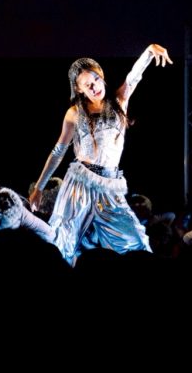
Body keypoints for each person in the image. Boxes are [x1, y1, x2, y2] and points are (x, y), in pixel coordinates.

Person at [28, 44, 172, 264]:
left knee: (135, 242)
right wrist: (39, 187)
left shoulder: (119, 101)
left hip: (109, 186)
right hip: (79, 184)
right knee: (62, 243)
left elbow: (133, 77)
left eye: (95, 79)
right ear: (79, 90)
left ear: (101, 76)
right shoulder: (74, 113)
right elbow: (58, 151)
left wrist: (150, 52)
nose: (94, 86)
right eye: (87, 85)